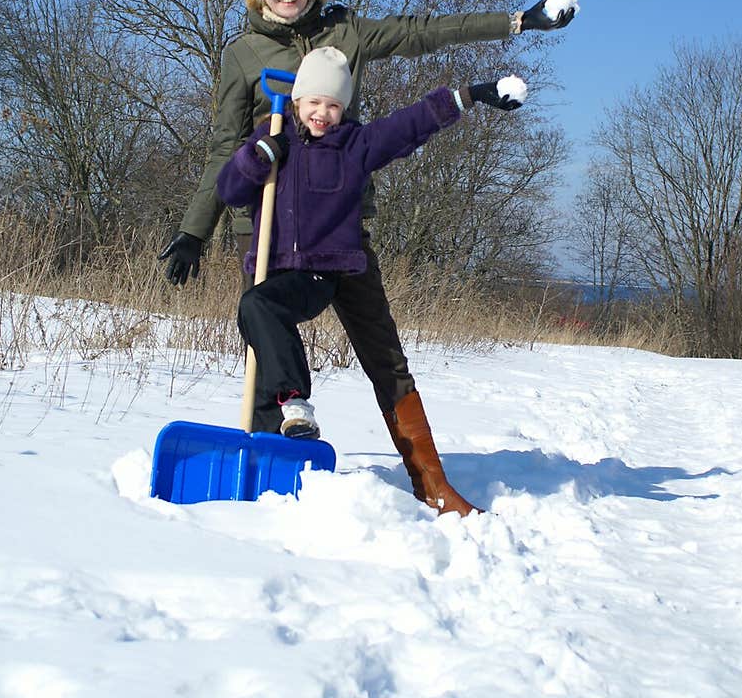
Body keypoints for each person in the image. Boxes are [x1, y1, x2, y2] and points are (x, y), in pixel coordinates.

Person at [159, 0, 575, 516]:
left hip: (343, 232)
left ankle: (431, 482)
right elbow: (224, 148)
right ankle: (265, 483)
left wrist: (516, 22)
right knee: (265, 338)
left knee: (384, 354)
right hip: (272, 232)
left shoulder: (344, 32)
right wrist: (193, 231)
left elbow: (422, 34)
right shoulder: (244, 55)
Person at [215, 46, 524, 517]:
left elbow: (411, 122)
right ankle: (292, 404)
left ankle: (430, 481)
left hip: (326, 271)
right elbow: (229, 191)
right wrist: (258, 159)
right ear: (297, 100)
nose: (323, 113)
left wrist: (472, 95)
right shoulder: (272, 137)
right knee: (256, 308)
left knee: (385, 360)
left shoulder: (354, 145)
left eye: (334, 105)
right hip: (279, 272)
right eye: (315, 102)